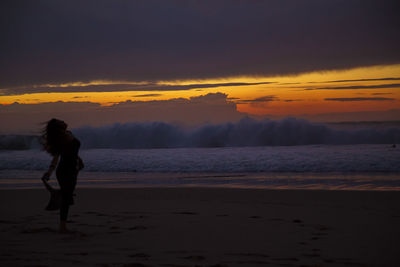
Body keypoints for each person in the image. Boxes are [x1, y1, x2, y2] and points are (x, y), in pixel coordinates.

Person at [41, 118, 84, 233]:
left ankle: (57, 194)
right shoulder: (61, 139)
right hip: (64, 171)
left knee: (67, 196)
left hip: (73, 170)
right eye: (60, 121)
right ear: (59, 126)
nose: (63, 120)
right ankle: (62, 227)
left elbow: (73, 151)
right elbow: (56, 157)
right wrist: (49, 171)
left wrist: (79, 160)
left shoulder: (68, 134)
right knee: (67, 198)